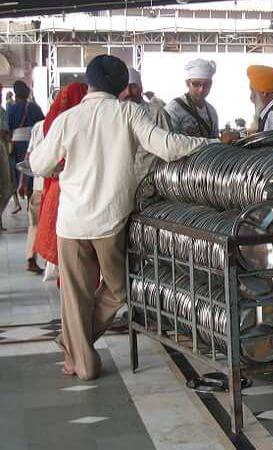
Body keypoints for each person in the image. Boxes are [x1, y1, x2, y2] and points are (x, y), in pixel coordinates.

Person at [29, 55, 229, 381]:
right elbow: (166, 146)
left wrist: (59, 166)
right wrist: (211, 143)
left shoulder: (69, 118)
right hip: (109, 223)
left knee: (75, 296)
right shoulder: (128, 113)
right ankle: (78, 352)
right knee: (119, 290)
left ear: (89, 82)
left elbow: (38, 164)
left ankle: (78, 354)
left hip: (72, 222)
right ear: (123, 86)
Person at [33, 83, 88, 271]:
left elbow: (41, 163)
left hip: (61, 194)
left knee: (71, 267)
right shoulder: (92, 119)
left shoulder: (57, 121)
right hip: (91, 205)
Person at [119, 68, 173, 183]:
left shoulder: (156, 113)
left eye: (133, 87)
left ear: (141, 89)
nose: (128, 92)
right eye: (123, 87)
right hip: (121, 186)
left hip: (150, 187)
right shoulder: (113, 115)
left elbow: (169, 150)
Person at [7, 80, 45, 212]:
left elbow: (8, 128)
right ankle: (31, 202)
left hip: (17, 145)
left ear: (16, 95)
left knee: (17, 172)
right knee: (31, 171)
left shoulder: (11, 109)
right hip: (32, 143)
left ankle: (19, 197)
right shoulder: (35, 108)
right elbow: (42, 124)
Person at [165, 58, 220, 138]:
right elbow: (171, 144)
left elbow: (215, 141)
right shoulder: (174, 109)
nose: (201, 89)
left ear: (211, 84)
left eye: (206, 84)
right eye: (196, 84)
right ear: (187, 83)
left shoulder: (211, 112)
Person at [23, 120, 44, 274]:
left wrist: (23, 182)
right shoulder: (70, 120)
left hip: (38, 184)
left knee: (34, 224)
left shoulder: (38, 126)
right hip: (57, 185)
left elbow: (28, 157)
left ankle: (31, 257)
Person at [0, 83, 13, 230]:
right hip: (1, 149)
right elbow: (4, 133)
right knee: (6, 187)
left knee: (6, 189)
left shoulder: (3, 111)